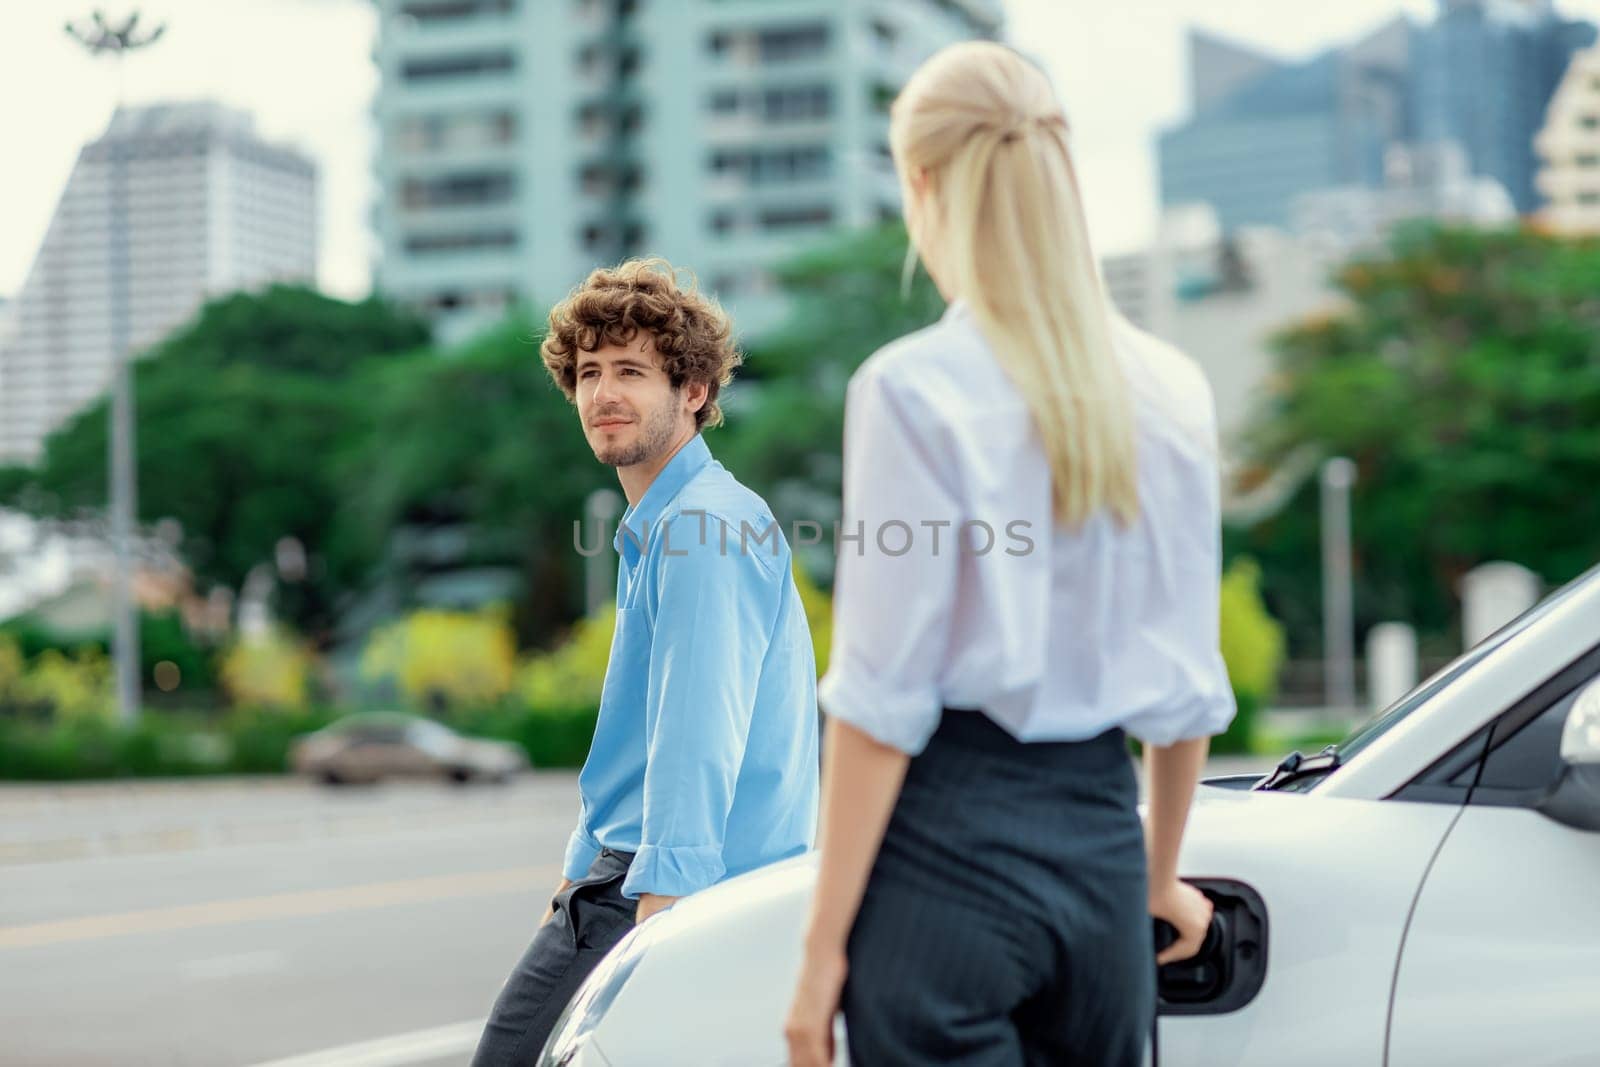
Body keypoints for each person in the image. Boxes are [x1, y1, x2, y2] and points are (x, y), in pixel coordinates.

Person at [784, 42, 1236, 1067]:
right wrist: (1155, 877)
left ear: (923, 183)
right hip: (1101, 857)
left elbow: (877, 703)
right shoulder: (1170, 389)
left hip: (946, 857)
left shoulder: (912, 388)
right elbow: (1185, 694)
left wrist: (817, 956)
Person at [473, 258, 820, 1066]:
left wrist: (660, 930)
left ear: (693, 390)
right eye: (589, 373)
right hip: (626, 884)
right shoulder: (671, 524)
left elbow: (695, 742)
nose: (603, 395)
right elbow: (637, 739)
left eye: (631, 370)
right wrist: (571, 878)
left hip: (667, 893)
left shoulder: (704, 529)